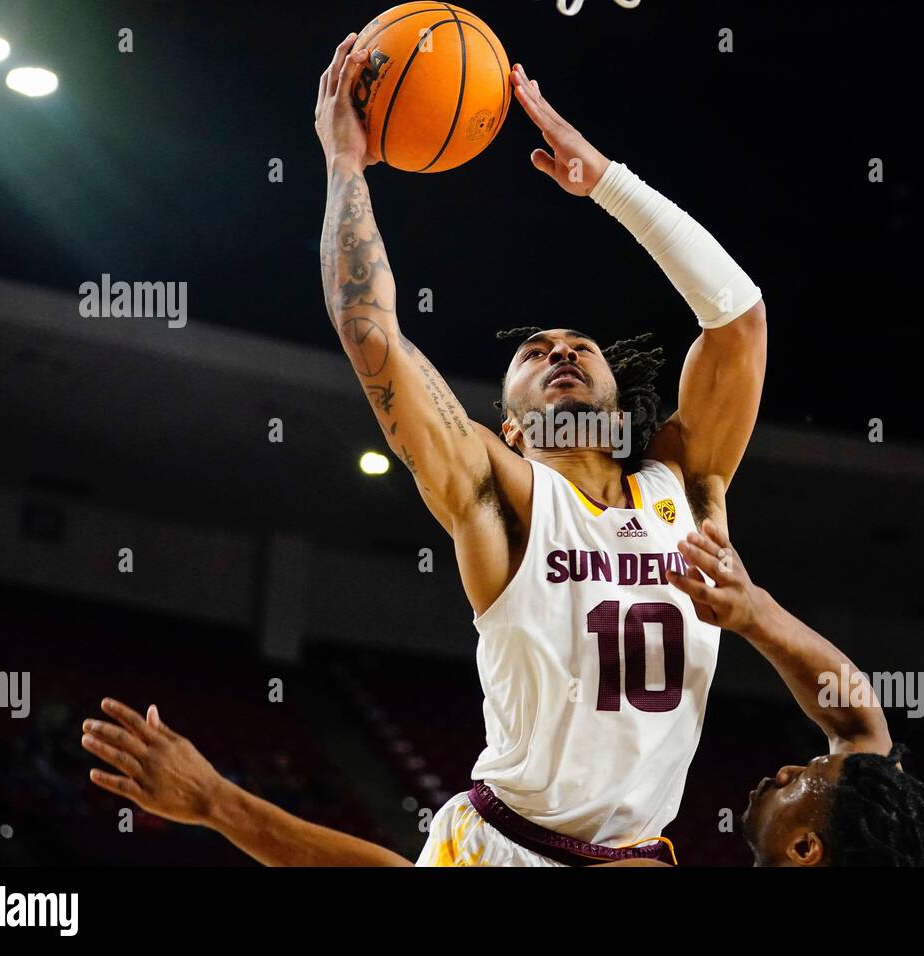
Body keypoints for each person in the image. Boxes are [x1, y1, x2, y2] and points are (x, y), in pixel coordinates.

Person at [312, 28, 766, 866]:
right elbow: (367, 327)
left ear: (619, 402)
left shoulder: (689, 482)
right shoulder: (500, 490)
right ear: (512, 427)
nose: (559, 350)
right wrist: (346, 164)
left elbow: (738, 320)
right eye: (534, 352)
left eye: (577, 346)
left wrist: (609, 185)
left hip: (635, 855)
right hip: (508, 848)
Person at [79, 521, 924, 866]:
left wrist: (215, 801)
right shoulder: (850, 843)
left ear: (807, 849)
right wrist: (755, 613)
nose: (782, 768)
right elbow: (859, 725)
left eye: (804, 779)